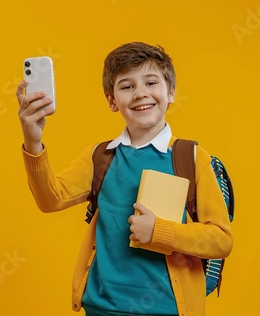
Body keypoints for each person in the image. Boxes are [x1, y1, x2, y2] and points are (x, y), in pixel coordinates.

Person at [16, 42, 233, 316]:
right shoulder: (100, 156)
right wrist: (33, 142)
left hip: (168, 309)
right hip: (102, 308)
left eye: (151, 82)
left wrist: (159, 232)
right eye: (127, 86)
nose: (140, 93)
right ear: (112, 100)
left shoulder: (190, 157)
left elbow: (221, 240)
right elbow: (51, 199)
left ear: (171, 92)